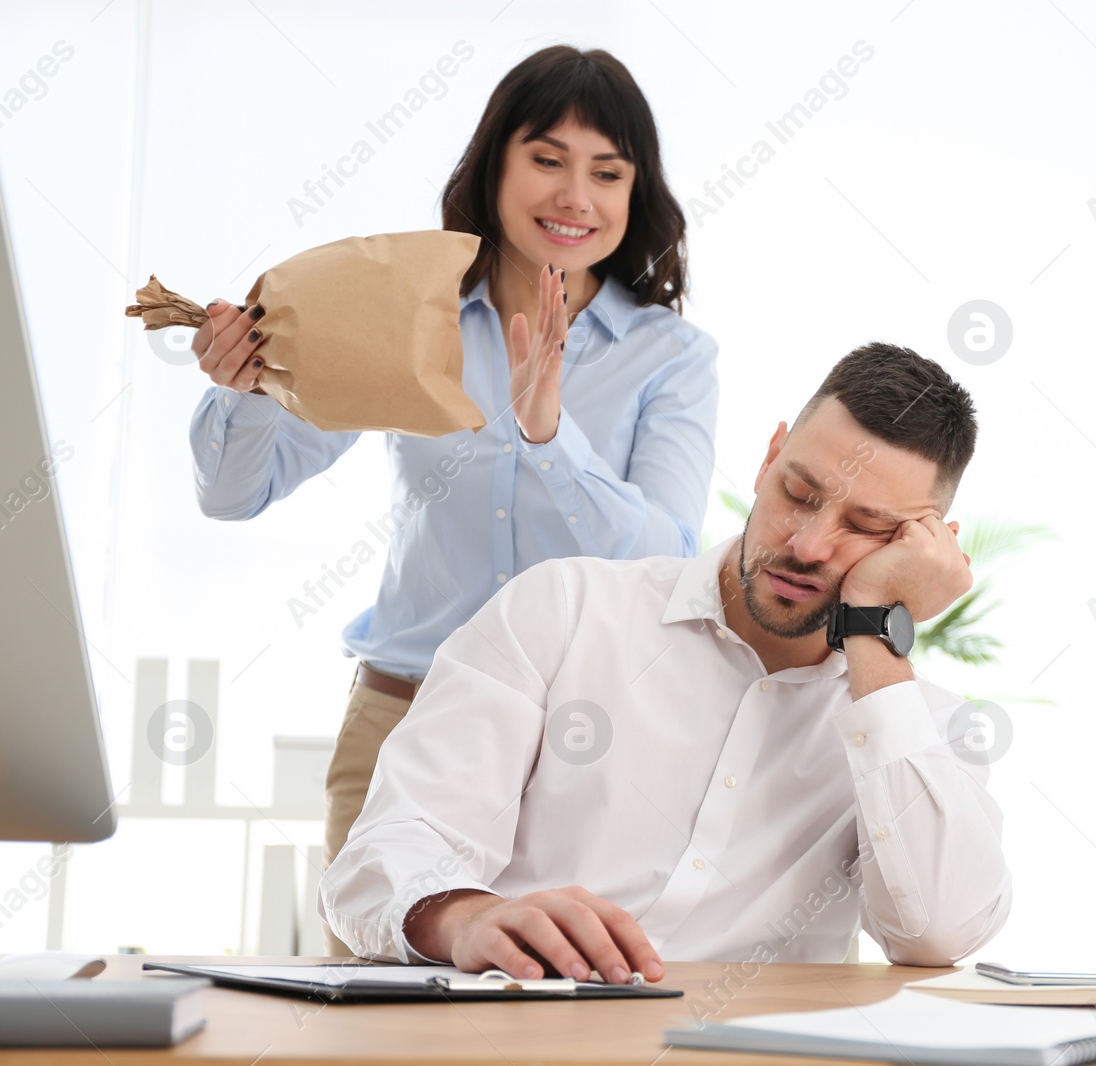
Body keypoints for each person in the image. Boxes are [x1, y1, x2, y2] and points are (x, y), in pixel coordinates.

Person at [184, 46, 718, 953]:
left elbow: (663, 561)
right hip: (405, 721)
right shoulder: (405, 317)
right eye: (547, 159)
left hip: (582, 746)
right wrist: (241, 386)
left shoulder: (670, 357)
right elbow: (238, 496)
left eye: (607, 172)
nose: (575, 197)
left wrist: (549, 437)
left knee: (562, 1006)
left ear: (636, 196)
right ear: (495, 166)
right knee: (372, 1014)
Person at [320, 343, 1012, 980]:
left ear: (925, 548)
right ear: (770, 457)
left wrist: (872, 631)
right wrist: (464, 916)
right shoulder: (564, 611)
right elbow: (382, 858)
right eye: (798, 495)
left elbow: (939, 933)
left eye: (865, 529)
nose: (807, 544)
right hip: (525, 1036)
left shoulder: (913, 727)